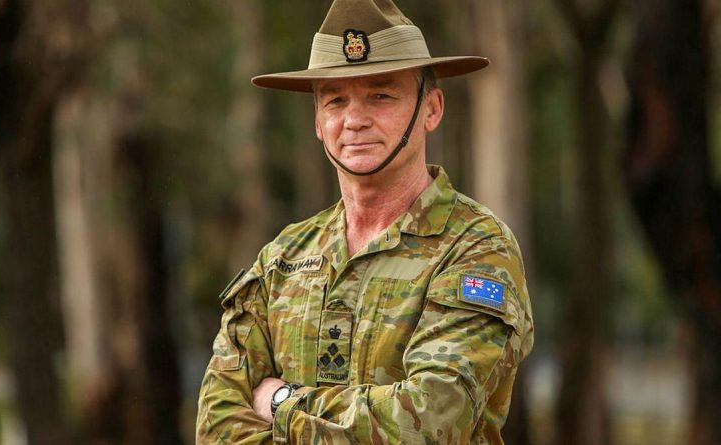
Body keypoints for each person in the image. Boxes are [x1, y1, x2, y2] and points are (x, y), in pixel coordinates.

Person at [195, 0, 534, 443]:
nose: (354, 120)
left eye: (381, 95)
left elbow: (426, 422)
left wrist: (280, 403)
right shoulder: (283, 257)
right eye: (335, 100)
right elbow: (216, 423)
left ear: (431, 110)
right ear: (318, 121)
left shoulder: (474, 248)